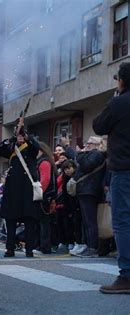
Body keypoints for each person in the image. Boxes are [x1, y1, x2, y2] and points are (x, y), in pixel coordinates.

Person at [93, 61, 130, 294]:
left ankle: (127, 275)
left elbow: (98, 125)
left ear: (122, 80)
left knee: (124, 222)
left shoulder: (119, 103)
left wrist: (116, 97)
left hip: (124, 170)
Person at [0, 119, 40, 258]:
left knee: (29, 221)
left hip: (27, 189)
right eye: (17, 135)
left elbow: (36, 146)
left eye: (21, 135)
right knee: (10, 220)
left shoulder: (30, 147)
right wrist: (12, 138)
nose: (19, 137)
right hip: (13, 189)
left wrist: (26, 137)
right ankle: (10, 248)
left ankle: (29, 249)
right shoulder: (11, 147)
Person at [73, 136, 106, 258]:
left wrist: (80, 154)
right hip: (86, 190)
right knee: (86, 221)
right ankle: (88, 245)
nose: (87, 145)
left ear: (97, 145)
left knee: (90, 221)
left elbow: (86, 166)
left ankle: (93, 247)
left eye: (90, 143)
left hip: (89, 190)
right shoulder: (92, 154)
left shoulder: (96, 154)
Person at [35, 142, 58, 255]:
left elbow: (45, 179)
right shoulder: (47, 161)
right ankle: (44, 246)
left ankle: (44, 247)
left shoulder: (43, 162)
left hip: (44, 196)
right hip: (48, 196)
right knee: (45, 223)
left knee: (44, 223)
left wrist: (37, 193)